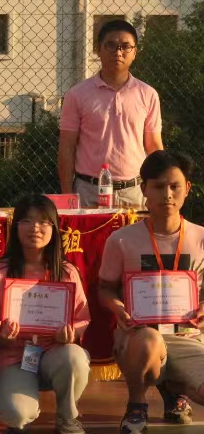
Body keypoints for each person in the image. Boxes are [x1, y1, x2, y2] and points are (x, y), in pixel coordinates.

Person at [98, 150, 204, 434]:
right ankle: (137, 404)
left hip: (187, 337)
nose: (167, 195)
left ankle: (175, 387)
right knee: (148, 340)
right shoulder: (121, 239)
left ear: (187, 189)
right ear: (144, 189)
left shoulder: (201, 237)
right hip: (139, 336)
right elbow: (105, 288)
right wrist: (118, 308)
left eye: (175, 186)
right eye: (158, 186)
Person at [0, 194, 91, 434]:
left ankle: (67, 417)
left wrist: (71, 334)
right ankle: (19, 403)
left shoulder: (66, 272)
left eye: (43, 221)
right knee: (18, 415)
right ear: (16, 227)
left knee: (75, 358)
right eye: (27, 221)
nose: (35, 228)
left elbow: (82, 317)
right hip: (13, 356)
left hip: (54, 351)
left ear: (54, 228)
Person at [58, 19, 163, 208]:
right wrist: (67, 195)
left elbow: (154, 146)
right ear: (98, 49)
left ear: (135, 52)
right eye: (111, 45)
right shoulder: (77, 94)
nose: (118, 52)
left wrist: (157, 190)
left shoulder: (148, 94)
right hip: (88, 192)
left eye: (126, 46)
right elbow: (67, 147)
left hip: (135, 192)